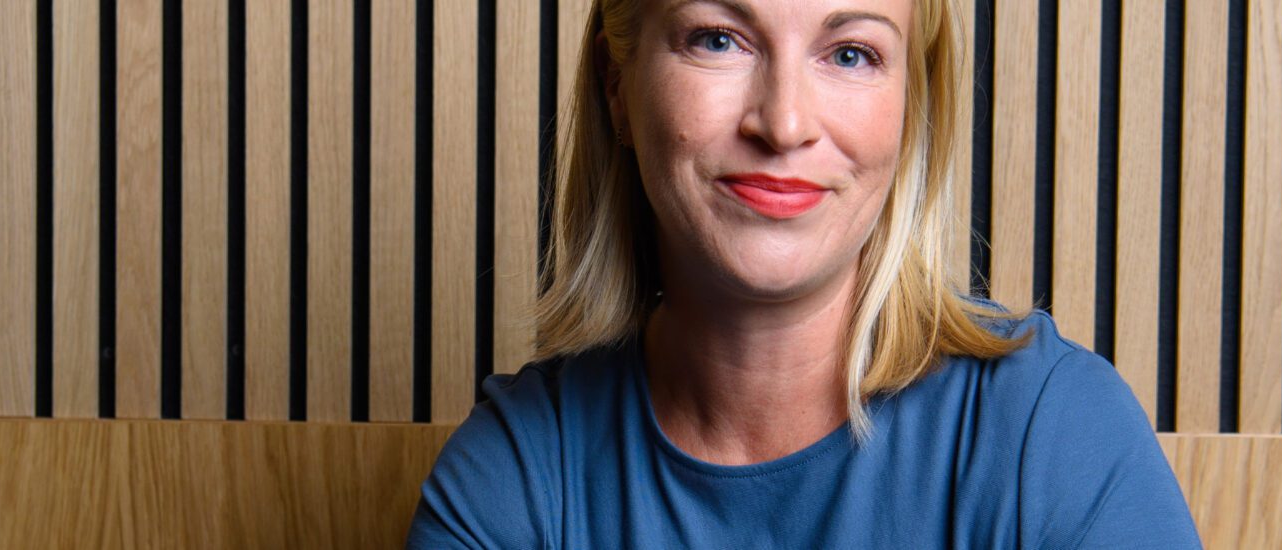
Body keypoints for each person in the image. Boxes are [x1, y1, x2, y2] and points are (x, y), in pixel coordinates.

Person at [408, 0, 1199, 547]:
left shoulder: (1055, 437)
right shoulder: (515, 475)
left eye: (851, 53)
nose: (784, 123)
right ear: (619, 87)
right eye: (719, 39)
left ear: (913, 105)